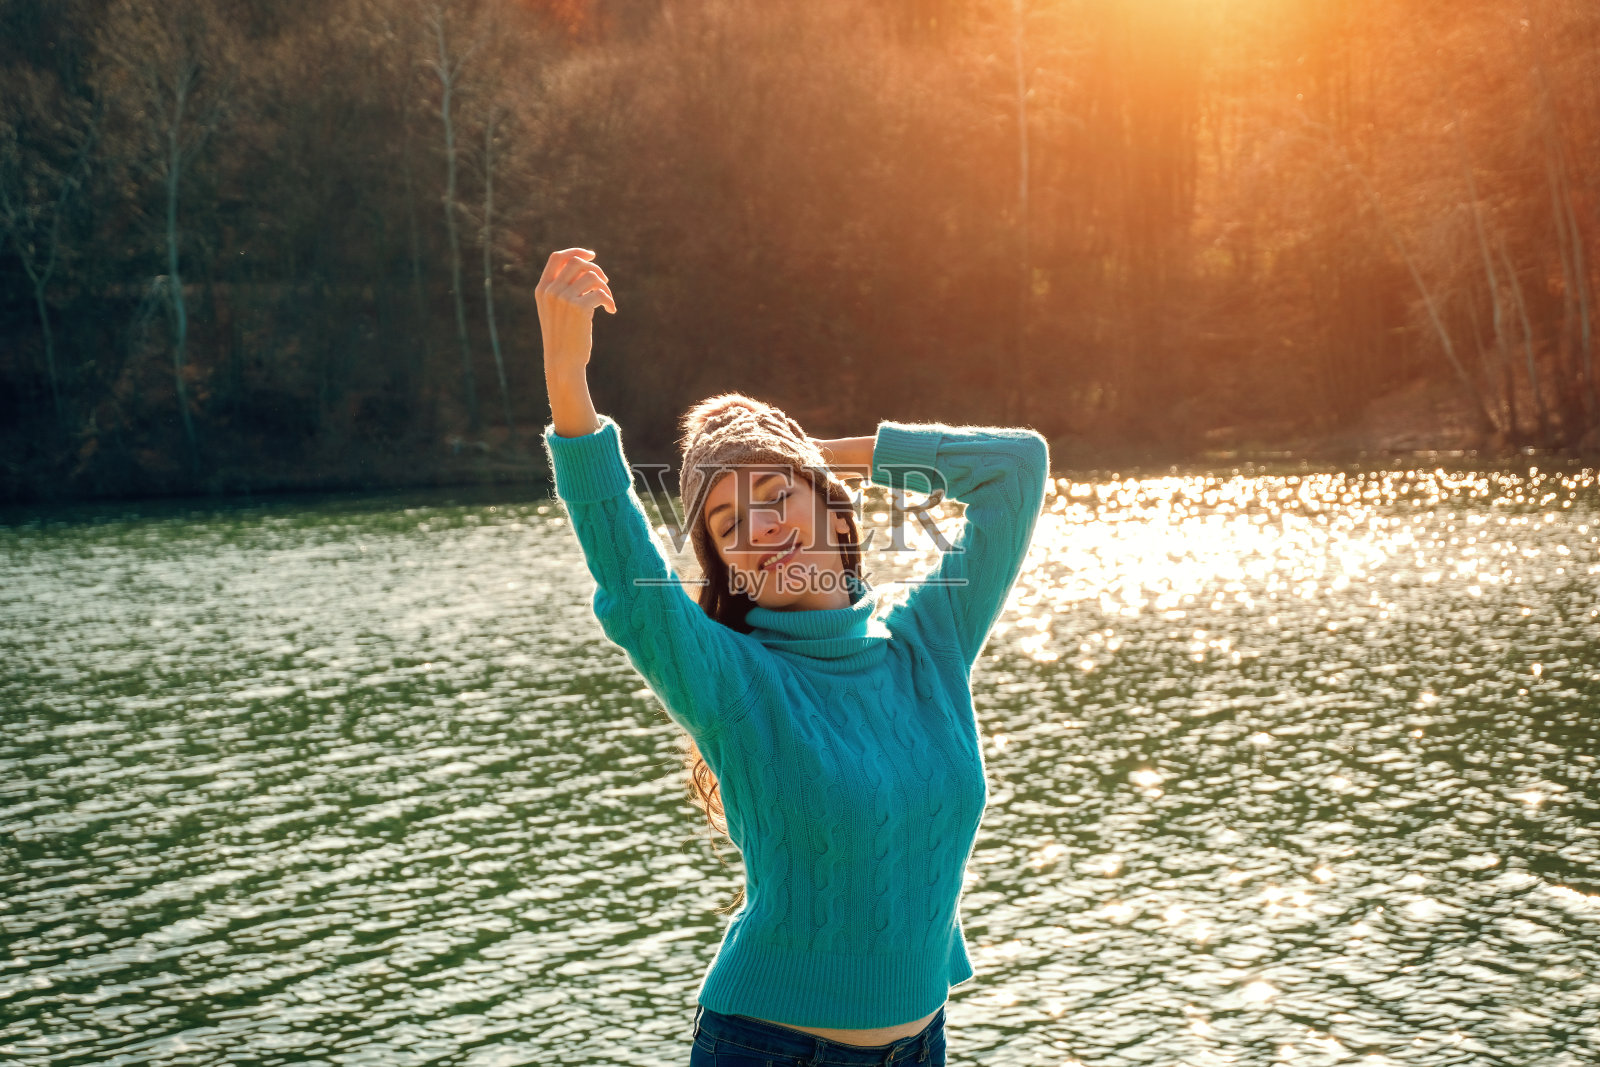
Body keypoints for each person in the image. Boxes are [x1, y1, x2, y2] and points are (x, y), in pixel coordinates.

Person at [536, 247, 1049, 1066]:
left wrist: (821, 450)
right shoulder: (738, 683)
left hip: (921, 1043)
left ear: (836, 514)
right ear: (731, 570)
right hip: (770, 1045)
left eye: (778, 496)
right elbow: (631, 587)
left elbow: (1015, 470)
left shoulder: (929, 644)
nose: (764, 527)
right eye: (732, 525)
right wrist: (569, 385)